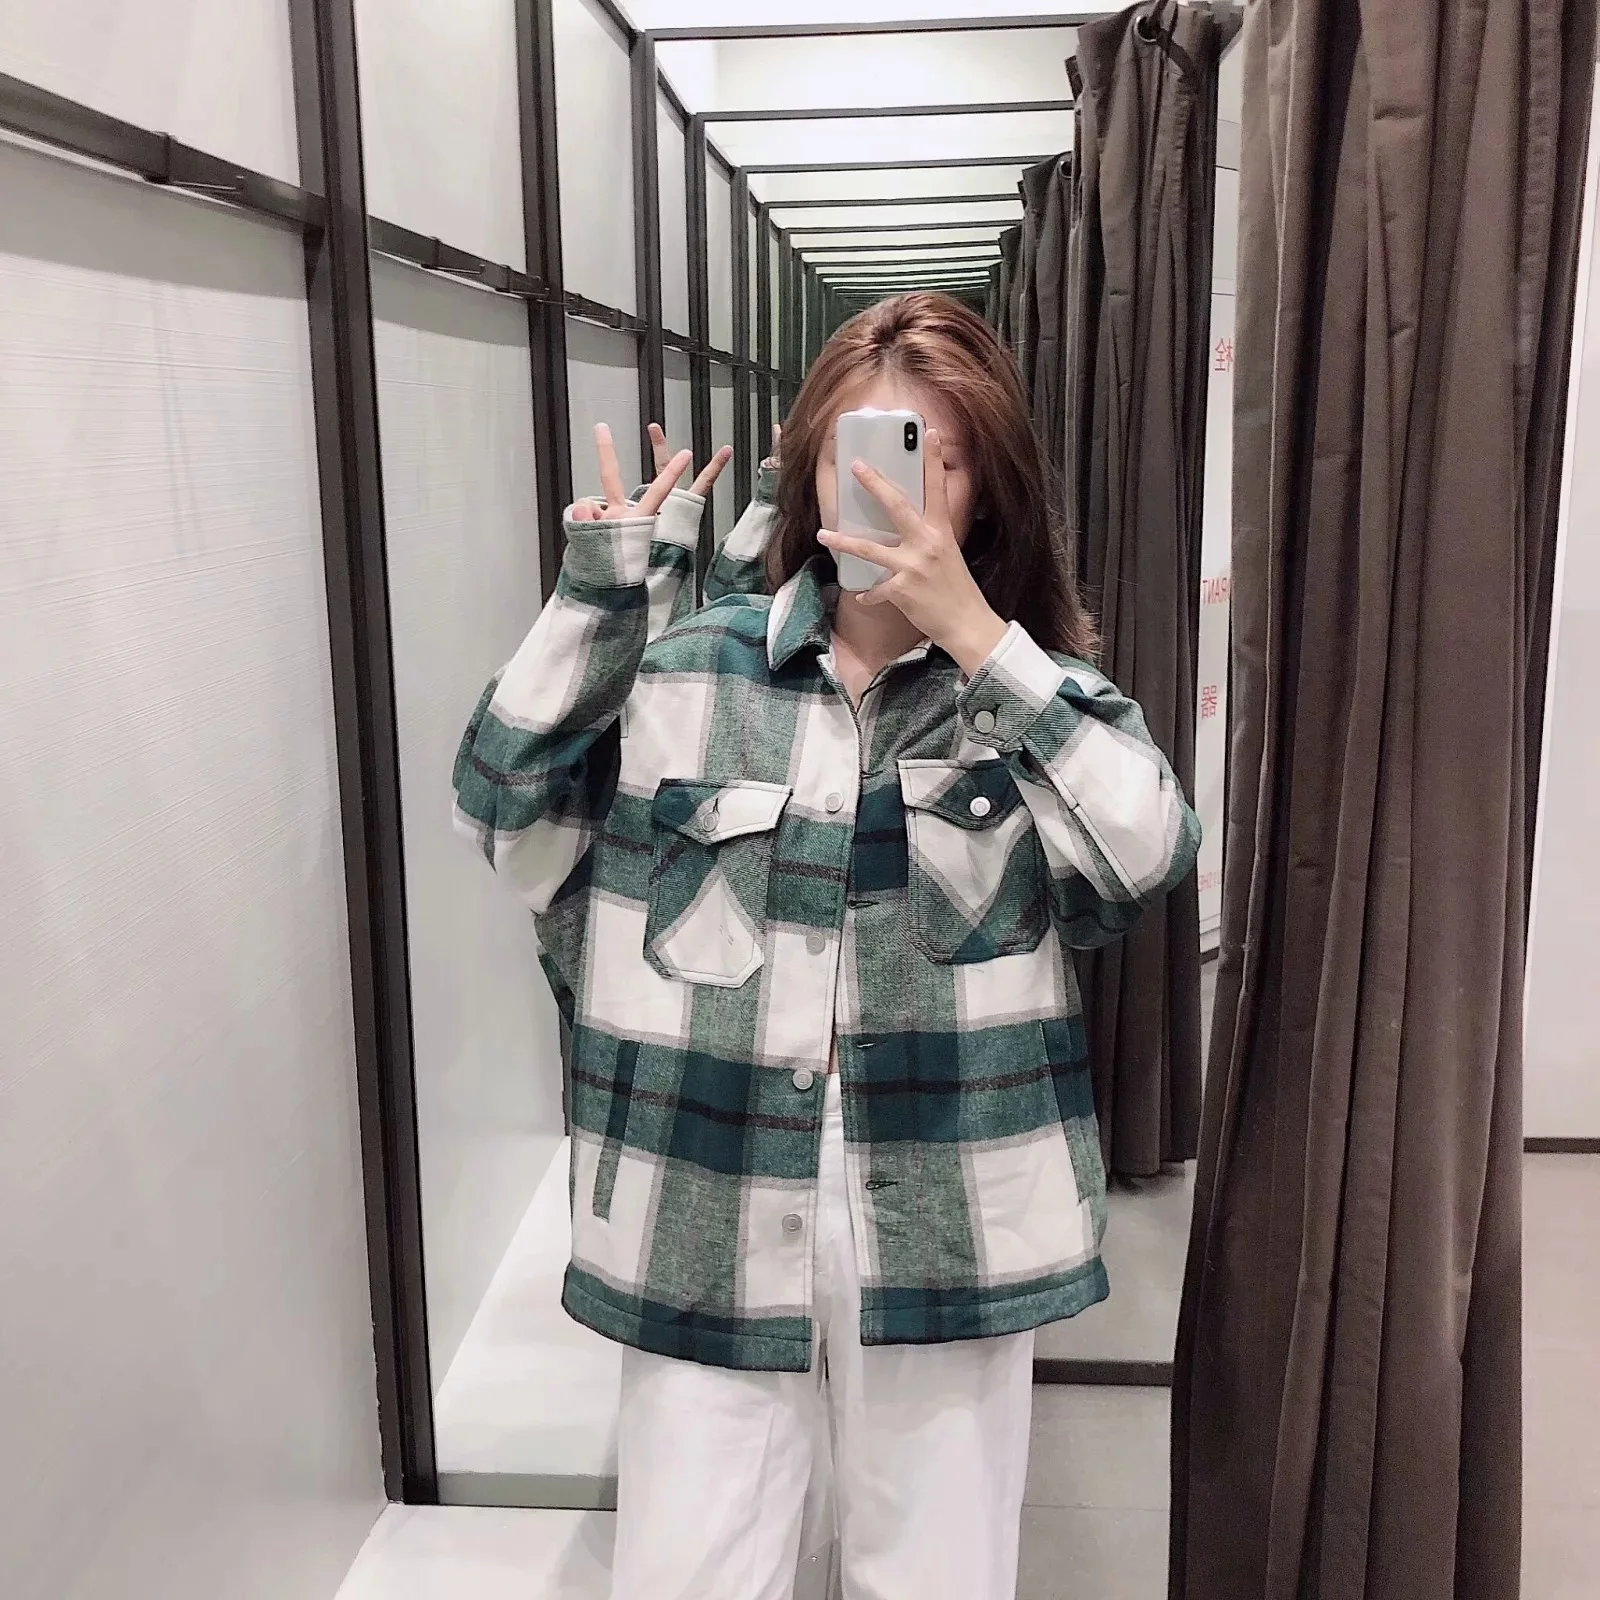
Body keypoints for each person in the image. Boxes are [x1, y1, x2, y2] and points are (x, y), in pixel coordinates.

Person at [453, 292, 1200, 1600]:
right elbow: (508, 816)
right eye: (868, 451)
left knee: (937, 1578)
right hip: (708, 1197)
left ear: (985, 489)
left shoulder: (1032, 696)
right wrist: (599, 592)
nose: (900, 491)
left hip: (953, 1211)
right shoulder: (691, 672)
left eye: (939, 458)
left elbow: (1146, 856)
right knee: (691, 1575)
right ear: (810, 466)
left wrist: (984, 644)